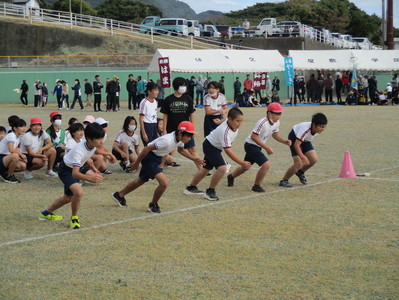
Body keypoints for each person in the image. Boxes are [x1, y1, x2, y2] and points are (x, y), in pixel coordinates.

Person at [111, 121, 203, 212]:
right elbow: (146, 149)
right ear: (180, 133)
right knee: (164, 183)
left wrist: (195, 159)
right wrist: (136, 163)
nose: (190, 138)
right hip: (149, 157)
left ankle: (119, 195)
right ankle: (153, 205)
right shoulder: (167, 141)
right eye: (189, 135)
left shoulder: (180, 139)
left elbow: (181, 150)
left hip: (156, 158)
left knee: (140, 181)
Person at [38, 123, 105, 229]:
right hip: (66, 170)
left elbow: (88, 156)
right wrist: (90, 178)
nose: (102, 141)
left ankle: (46, 213)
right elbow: (75, 174)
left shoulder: (92, 145)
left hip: (75, 167)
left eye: (102, 137)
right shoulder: (79, 150)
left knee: (68, 197)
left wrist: (95, 168)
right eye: (98, 138)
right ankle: (74, 218)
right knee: (78, 192)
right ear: (89, 138)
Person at [184, 108, 251, 201]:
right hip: (210, 146)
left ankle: (190, 188)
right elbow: (228, 151)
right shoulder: (225, 131)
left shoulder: (230, 123)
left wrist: (220, 121)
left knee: (206, 169)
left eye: (241, 121)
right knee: (222, 168)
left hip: (213, 146)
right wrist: (242, 163)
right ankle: (210, 191)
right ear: (230, 119)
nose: (239, 123)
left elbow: (225, 119)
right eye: (237, 121)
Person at [227, 103, 291, 192]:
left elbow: (275, 134)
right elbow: (254, 136)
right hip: (250, 145)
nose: (278, 116)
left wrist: (284, 141)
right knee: (266, 164)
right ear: (269, 113)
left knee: (246, 166)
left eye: (280, 114)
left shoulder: (276, 123)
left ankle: (231, 176)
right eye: (276, 114)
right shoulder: (262, 123)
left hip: (257, 146)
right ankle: (256, 186)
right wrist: (266, 147)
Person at [279, 113, 328, 187]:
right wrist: (302, 156)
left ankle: (300, 172)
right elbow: (296, 145)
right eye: (321, 126)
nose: (322, 129)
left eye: (324, 127)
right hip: (295, 138)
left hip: (305, 140)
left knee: (313, 159)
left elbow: (306, 139)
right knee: (298, 163)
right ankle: (284, 180)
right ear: (314, 125)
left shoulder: (317, 130)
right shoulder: (305, 130)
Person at [161, 77, 200, 168]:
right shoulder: (168, 99)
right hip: (172, 129)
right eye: (182, 85)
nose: (184, 87)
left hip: (186, 130)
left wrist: (193, 128)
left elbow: (192, 114)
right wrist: (164, 130)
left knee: (192, 149)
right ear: (177, 86)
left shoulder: (188, 99)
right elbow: (165, 115)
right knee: (167, 149)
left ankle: (201, 168)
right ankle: (162, 166)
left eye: (185, 85)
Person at [0, 118, 27, 183]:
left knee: (22, 166)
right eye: (21, 126)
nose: (24, 128)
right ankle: (9, 177)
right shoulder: (11, 135)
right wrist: (21, 155)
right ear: (15, 128)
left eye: (24, 126)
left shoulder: (18, 137)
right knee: (15, 156)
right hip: (1, 156)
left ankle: (3, 172)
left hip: (5, 158)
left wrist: (20, 157)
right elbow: (11, 149)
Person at [139, 81, 159, 146]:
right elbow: (141, 118)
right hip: (147, 126)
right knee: (148, 147)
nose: (157, 92)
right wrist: (144, 133)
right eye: (155, 90)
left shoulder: (155, 102)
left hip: (154, 126)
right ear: (149, 91)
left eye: (157, 90)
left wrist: (156, 131)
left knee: (155, 147)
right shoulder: (144, 102)